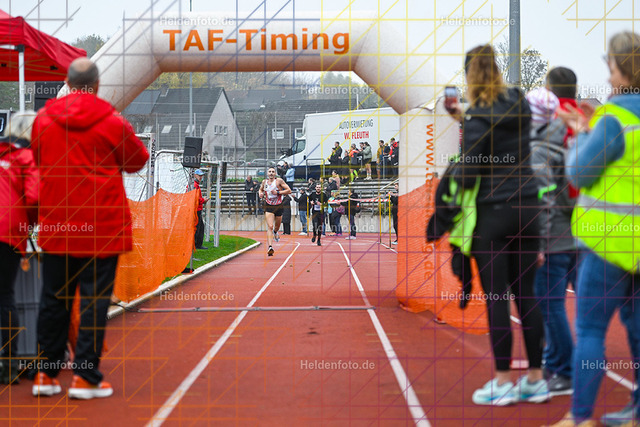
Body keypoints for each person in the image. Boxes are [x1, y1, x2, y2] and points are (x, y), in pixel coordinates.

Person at [31, 57, 149, 399]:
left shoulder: (43, 120)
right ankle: (84, 377)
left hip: (57, 224)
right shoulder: (112, 121)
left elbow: (37, 159)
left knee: (53, 299)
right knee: (94, 302)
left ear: (68, 83)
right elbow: (137, 161)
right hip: (102, 227)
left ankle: (46, 374)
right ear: (97, 85)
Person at [548, 31, 640, 427]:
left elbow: (579, 174)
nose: (607, 75)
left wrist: (582, 132)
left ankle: (580, 417)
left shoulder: (614, 119)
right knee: (637, 330)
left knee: (590, 330)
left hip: (608, 243)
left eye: (611, 67)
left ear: (622, 70)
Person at [447, 45, 547, 405]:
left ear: (469, 75)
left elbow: (470, 172)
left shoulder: (478, 116)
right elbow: (501, 128)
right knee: (527, 295)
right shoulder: (519, 102)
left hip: (494, 213)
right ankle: (536, 379)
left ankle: (503, 381)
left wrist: (454, 180)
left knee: (497, 298)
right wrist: (467, 118)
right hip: (528, 208)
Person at [528, 67, 582, 398]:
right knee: (589, 306)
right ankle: (568, 359)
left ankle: (563, 367)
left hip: (558, 231)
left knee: (550, 304)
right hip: (585, 225)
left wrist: (539, 240)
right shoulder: (583, 121)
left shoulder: (552, 129)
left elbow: (546, 191)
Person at [0, 112, 38, 385]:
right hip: (9, 232)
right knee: (5, 296)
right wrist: (29, 223)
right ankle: (9, 363)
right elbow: (34, 197)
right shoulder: (26, 158)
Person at [259, 166, 291, 256]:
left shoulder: (279, 181)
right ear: (267, 173)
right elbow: (260, 189)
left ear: (275, 173)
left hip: (278, 206)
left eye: (273, 171)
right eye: (270, 171)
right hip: (268, 206)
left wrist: (278, 192)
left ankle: (276, 232)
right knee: (270, 226)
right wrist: (260, 193)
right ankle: (270, 247)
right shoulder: (264, 182)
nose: (271, 173)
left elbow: (289, 190)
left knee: (276, 227)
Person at [192, 169, 210, 249]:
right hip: (196, 209)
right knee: (198, 227)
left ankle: (197, 244)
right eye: (199, 175)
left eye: (201, 176)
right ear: (195, 175)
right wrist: (203, 200)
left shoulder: (196, 185)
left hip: (197, 208)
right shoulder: (195, 185)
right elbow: (195, 198)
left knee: (200, 227)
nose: (201, 177)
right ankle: (196, 244)